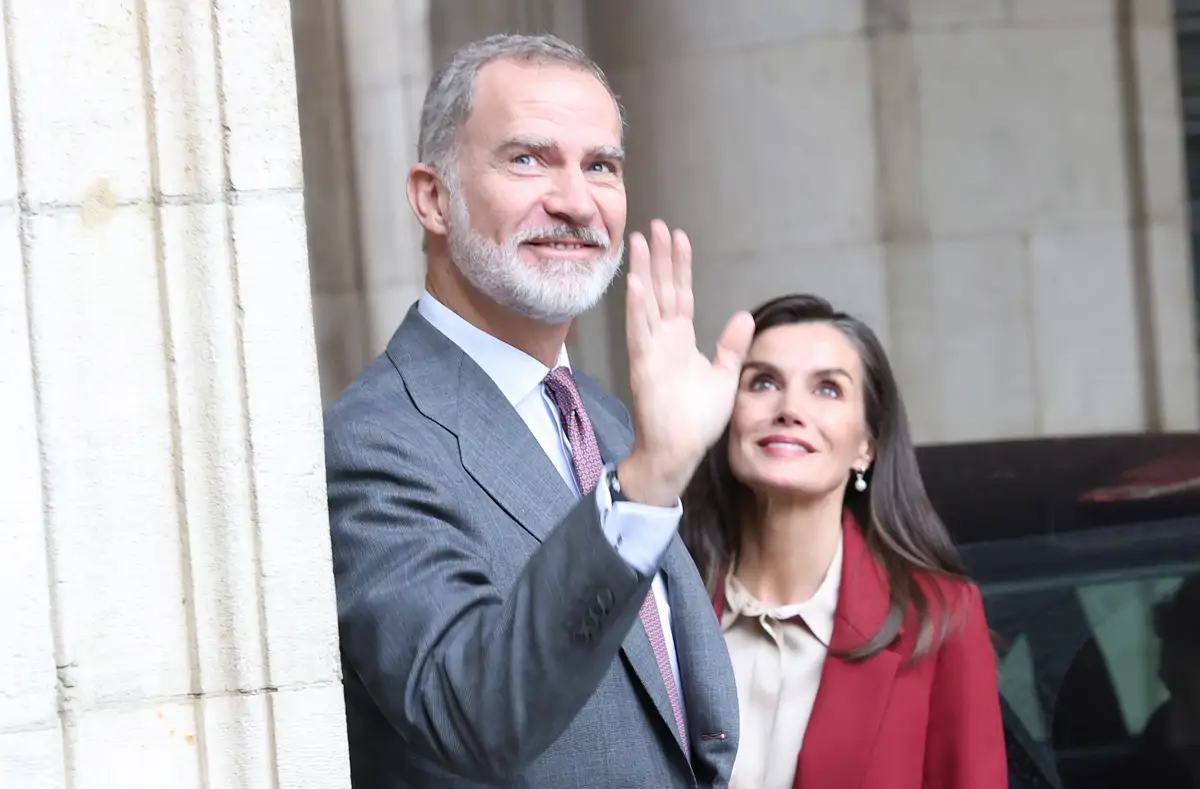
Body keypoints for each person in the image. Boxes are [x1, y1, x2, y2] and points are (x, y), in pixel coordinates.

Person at [324, 33, 750, 788]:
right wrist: (647, 482)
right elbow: (472, 712)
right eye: (528, 158)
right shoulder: (370, 443)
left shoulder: (609, 419)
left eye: (601, 166)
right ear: (432, 197)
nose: (576, 201)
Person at [679, 293, 1008, 789]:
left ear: (866, 445)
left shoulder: (938, 617)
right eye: (763, 383)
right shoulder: (662, 605)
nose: (789, 409)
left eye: (827, 389)